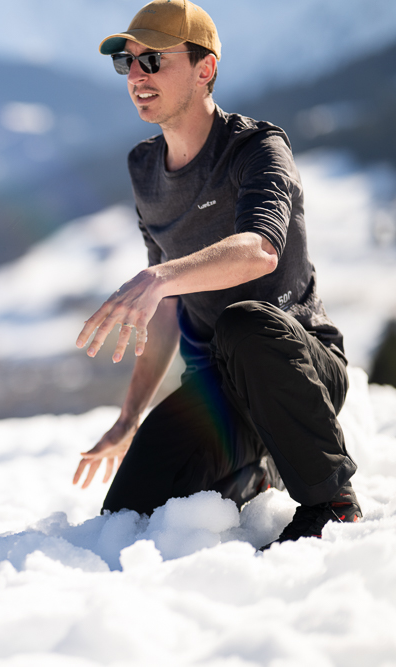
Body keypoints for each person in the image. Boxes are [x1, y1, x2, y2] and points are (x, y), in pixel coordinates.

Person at [71, 0, 361, 549]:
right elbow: (169, 307)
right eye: (127, 63)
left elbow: (260, 250)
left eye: (152, 60)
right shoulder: (143, 168)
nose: (136, 75)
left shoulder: (257, 149)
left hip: (298, 372)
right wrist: (131, 415)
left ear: (205, 69)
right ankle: (253, 473)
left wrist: (159, 277)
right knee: (128, 517)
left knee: (244, 323)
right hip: (216, 388)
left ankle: (332, 500)